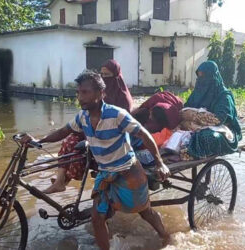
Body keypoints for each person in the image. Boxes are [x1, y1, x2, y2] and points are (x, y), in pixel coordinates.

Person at [21, 71, 170, 249]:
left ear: (100, 94)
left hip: (128, 171)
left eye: (85, 92)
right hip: (106, 173)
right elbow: (63, 131)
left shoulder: (117, 115)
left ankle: (166, 237)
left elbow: (144, 135)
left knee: (145, 212)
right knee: (97, 218)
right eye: (78, 93)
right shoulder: (82, 117)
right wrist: (40, 141)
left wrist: (160, 163)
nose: (79, 97)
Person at [44, 59, 134, 193]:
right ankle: (60, 181)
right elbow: (68, 128)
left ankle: (66, 178)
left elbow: (121, 127)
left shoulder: (122, 100)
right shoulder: (89, 104)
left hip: (110, 138)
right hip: (92, 131)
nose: (104, 78)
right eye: (102, 75)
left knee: (78, 150)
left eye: (107, 75)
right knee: (69, 141)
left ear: (116, 76)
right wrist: (41, 141)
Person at [184, 61, 242, 158]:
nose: (200, 80)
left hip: (223, 129)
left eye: (204, 76)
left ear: (212, 77)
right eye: (199, 76)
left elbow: (219, 119)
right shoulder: (198, 92)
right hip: (198, 125)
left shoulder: (224, 96)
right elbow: (186, 107)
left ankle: (192, 151)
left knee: (206, 137)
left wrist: (198, 120)